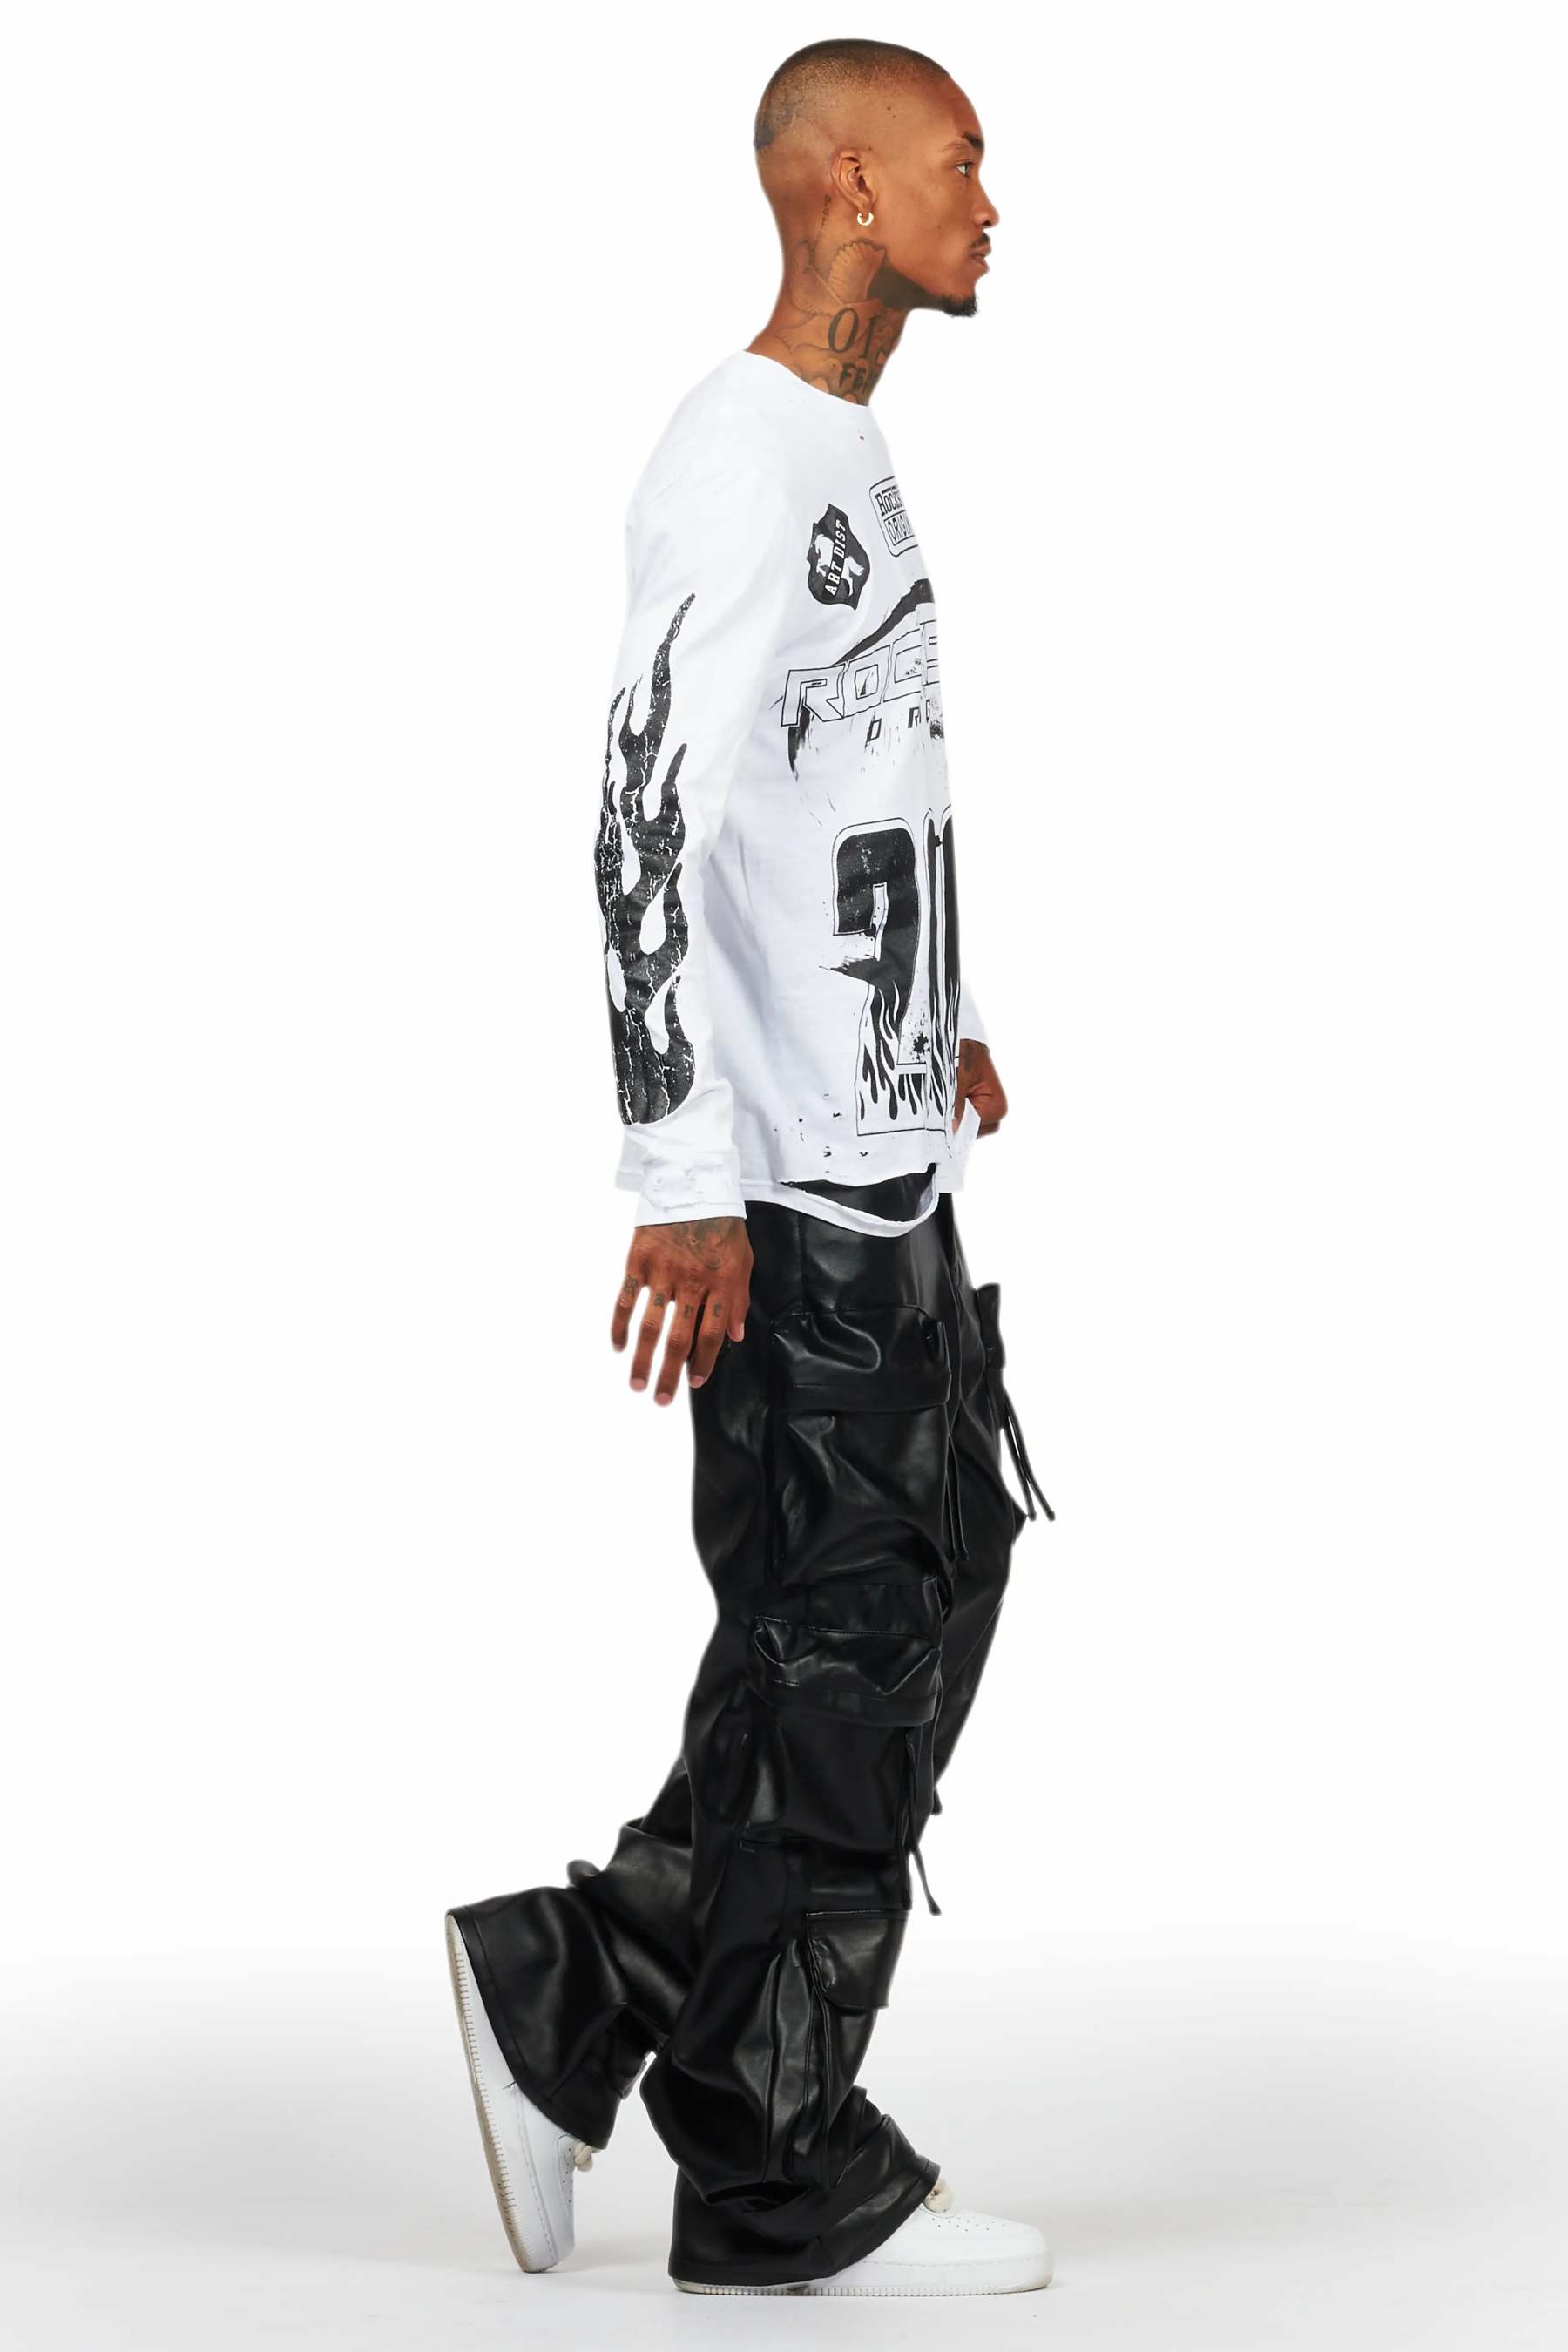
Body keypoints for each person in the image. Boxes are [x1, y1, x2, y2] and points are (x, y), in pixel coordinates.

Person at [445, 36, 1055, 2297]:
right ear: (844, 192)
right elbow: (641, 815)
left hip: (884, 1152)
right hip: (782, 1192)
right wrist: (678, 1170)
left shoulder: (849, 449)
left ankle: (588, 1975)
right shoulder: (734, 457)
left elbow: (838, 772)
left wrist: (936, 1010)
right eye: (961, 167)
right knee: (840, 1644)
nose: (994, 205)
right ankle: (768, 2156)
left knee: (914, 1582)